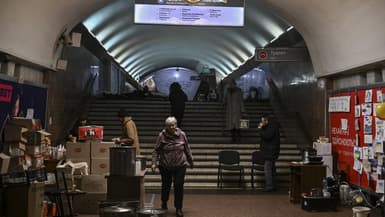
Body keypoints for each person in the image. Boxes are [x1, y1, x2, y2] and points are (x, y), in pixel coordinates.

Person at [151, 116, 193, 217]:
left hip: (180, 165)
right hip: (165, 165)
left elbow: (187, 149)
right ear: (166, 126)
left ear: (176, 125)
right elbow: (156, 150)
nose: (172, 127)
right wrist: (154, 163)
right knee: (166, 185)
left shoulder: (182, 135)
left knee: (178, 186)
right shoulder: (162, 135)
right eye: (169, 126)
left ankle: (178, 208)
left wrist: (191, 161)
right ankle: (164, 202)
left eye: (173, 125)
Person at [258, 116, 280, 192]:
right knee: (272, 168)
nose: (261, 122)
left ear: (266, 120)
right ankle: (273, 185)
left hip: (270, 152)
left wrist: (260, 128)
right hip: (271, 151)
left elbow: (267, 136)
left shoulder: (272, 126)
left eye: (262, 120)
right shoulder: (272, 126)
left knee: (267, 168)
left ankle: (269, 186)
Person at [224, 78, 245, 143]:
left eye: (231, 83)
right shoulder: (227, 91)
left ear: (234, 83)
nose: (230, 85)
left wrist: (243, 110)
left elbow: (241, 101)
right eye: (229, 84)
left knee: (237, 125)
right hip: (230, 111)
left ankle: (239, 138)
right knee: (231, 126)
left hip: (237, 110)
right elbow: (225, 100)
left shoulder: (239, 91)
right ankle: (233, 139)